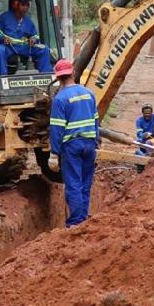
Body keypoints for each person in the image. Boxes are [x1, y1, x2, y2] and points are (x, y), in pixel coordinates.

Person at [49, 59, 99, 227]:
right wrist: (96, 143)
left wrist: (54, 153)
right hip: (89, 144)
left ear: (58, 78)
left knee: (73, 184)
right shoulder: (89, 93)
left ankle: (76, 222)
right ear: (73, 73)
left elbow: (57, 129)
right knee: (85, 183)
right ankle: (83, 219)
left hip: (72, 146)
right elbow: (95, 121)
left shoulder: (60, 99)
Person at [0, 0, 52, 75]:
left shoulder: (28, 21)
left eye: (27, 5)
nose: (26, 8)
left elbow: (35, 36)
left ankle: (46, 75)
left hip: (25, 47)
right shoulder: (4, 18)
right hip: (9, 48)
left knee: (45, 49)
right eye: (23, 5)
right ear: (16, 5)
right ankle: (4, 76)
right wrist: (3, 39)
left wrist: (33, 40)